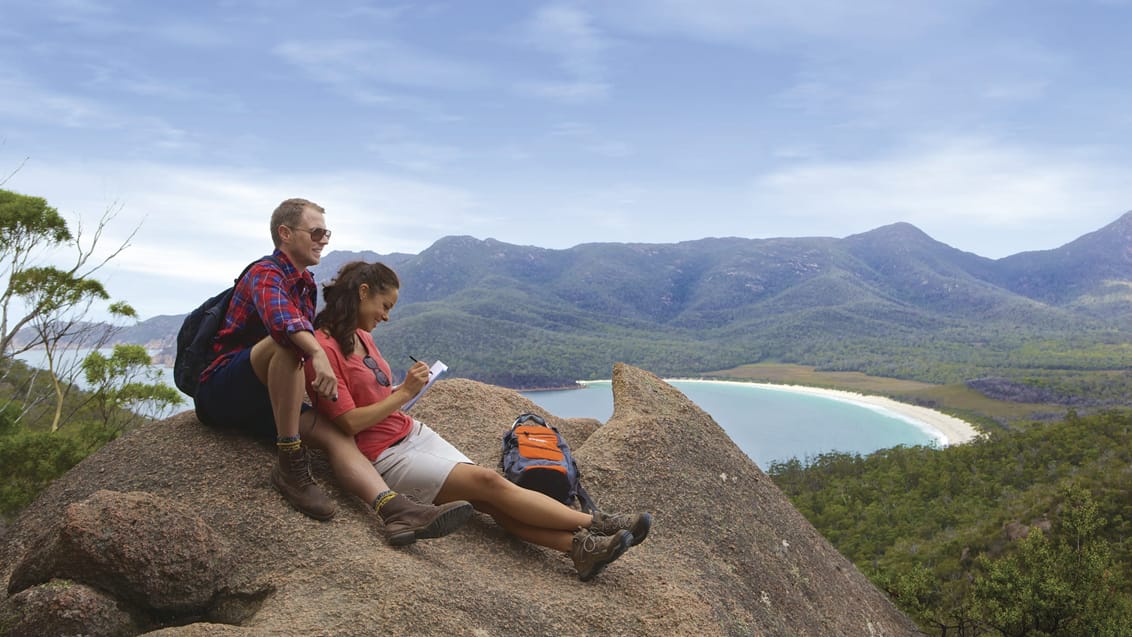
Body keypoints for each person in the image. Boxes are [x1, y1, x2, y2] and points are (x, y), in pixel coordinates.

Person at [304, 260, 655, 581]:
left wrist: (403, 389)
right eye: (385, 306)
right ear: (363, 292)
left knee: (487, 500)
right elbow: (348, 423)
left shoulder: (362, 337)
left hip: (411, 433)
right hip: (383, 457)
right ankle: (597, 524)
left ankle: (580, 551)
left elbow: (375, 395)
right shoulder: (323, 350)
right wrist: (403, 394)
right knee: (488, 482)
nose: (386, 317)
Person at [193, 198, 473, 545]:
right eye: (316, 231)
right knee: (287, 342)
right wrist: (317, 354)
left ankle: (394, 510)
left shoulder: (306, 284)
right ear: (285, 233)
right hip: (223, 389)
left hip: (267, 401)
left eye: (327, 233)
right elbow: (284, 325)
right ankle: (290, 465)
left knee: (338, 436)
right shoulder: (264, 273)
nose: (324, 239)